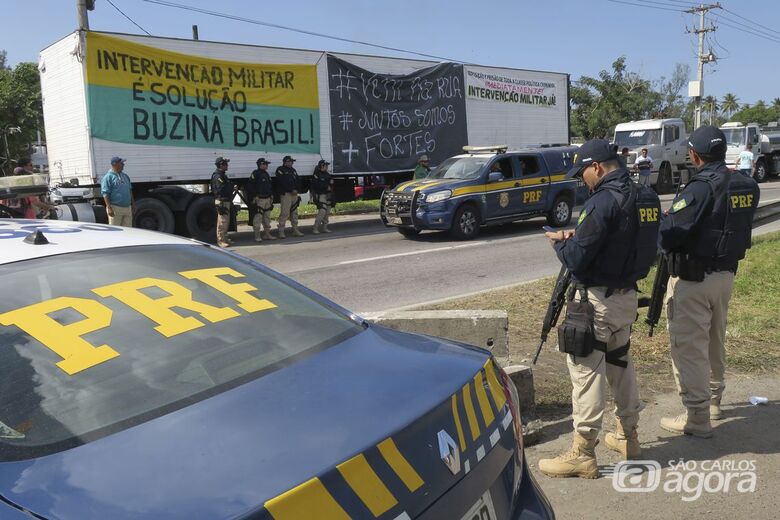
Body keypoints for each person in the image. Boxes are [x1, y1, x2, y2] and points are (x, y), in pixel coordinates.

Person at [538, 139, 661, 478]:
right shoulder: (646, 197)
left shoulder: (602, 201)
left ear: (597, 166)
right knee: (621, 365)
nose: (582, 181)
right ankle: (628, 436)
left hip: (596, 302)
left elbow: (577, 257)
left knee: (586, 371)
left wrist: (560, 244)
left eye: (583, 173)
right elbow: (639, 240)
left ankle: (583, 452)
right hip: (626, 298)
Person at [659, 126, 759, 437]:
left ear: (694, 155)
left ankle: (697, 416)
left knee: (689, 347)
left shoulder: (699, 187)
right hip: (725, 275)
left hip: (694, 280)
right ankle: (713, 401)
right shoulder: (747, 184)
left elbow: (669, 232)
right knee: (715, 340)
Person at [247, 158, 276, 242]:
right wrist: (255, 196)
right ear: (261, 164)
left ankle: (267, 234)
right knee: (258, 218)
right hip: (260, 199)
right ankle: (257, 236)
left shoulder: (266, 174)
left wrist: (271, 196)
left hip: (267, 199)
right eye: (265, 164)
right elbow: (250, 186)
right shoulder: (255, 174)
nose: (267, 166)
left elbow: (269, 186)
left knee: (267, 217)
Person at [101, 156, 134, 227]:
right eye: (121, 163)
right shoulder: (108, 177)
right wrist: (109, 208)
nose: (123, 165)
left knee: (128, 231)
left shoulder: (125, 176)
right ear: (115, 164)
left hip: (127, 208)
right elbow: (105, 193)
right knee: (115, 231)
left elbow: (129, 190)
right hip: (115, 208)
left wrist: (133, 204)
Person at [276, 155, 303, 238]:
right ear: (285, 162)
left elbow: (298, 180)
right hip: (286, 194)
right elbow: (282, 182)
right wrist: (291, 189)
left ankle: (295, 230)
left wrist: (297, 189)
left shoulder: (293, 170)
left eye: (292, 162)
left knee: (294, 213)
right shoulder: (280, 170)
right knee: (285, 213)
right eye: (290, 161)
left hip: (294, 194)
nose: (291, 163)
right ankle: (281, 231)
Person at [210, 156, 234, 247]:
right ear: (221, 165)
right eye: (225, 164)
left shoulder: (223, 174)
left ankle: (225, 238)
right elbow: (221, 189)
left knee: (226, 221)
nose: (227, 165)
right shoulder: (218, 176)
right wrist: (231, 187)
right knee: (222, 222)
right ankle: (220, 241)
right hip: (221, 200)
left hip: (226, 200)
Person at [310, 159, 334, 234]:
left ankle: (325, 228)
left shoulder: (327, 174)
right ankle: (315, 228)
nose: (327, 167)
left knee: (327, 212)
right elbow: (317, 185)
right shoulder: (316, 174)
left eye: (327, 165)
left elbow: (331, 184)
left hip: (328, 195)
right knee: (322, 211)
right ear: (321, 166)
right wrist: (326, 186)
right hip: (320, 195)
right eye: (325, 165)